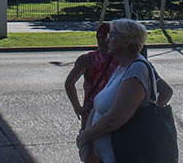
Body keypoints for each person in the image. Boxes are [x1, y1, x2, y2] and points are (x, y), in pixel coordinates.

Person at [76, 19, 161, 163]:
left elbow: (116, 118)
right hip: (103, 157)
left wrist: (86, 136)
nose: (107, 40)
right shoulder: (122, 67)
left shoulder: (137, 68)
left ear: (127, 41)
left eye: (113, 35)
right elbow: (97, 107)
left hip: (123, 157)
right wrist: (88, 143)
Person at [64, 22, 119, 129]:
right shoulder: (122, 59)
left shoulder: (87, 59)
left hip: (91, 112)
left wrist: (77, 108)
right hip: (114, 111)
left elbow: (69, 83)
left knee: (88, 137)